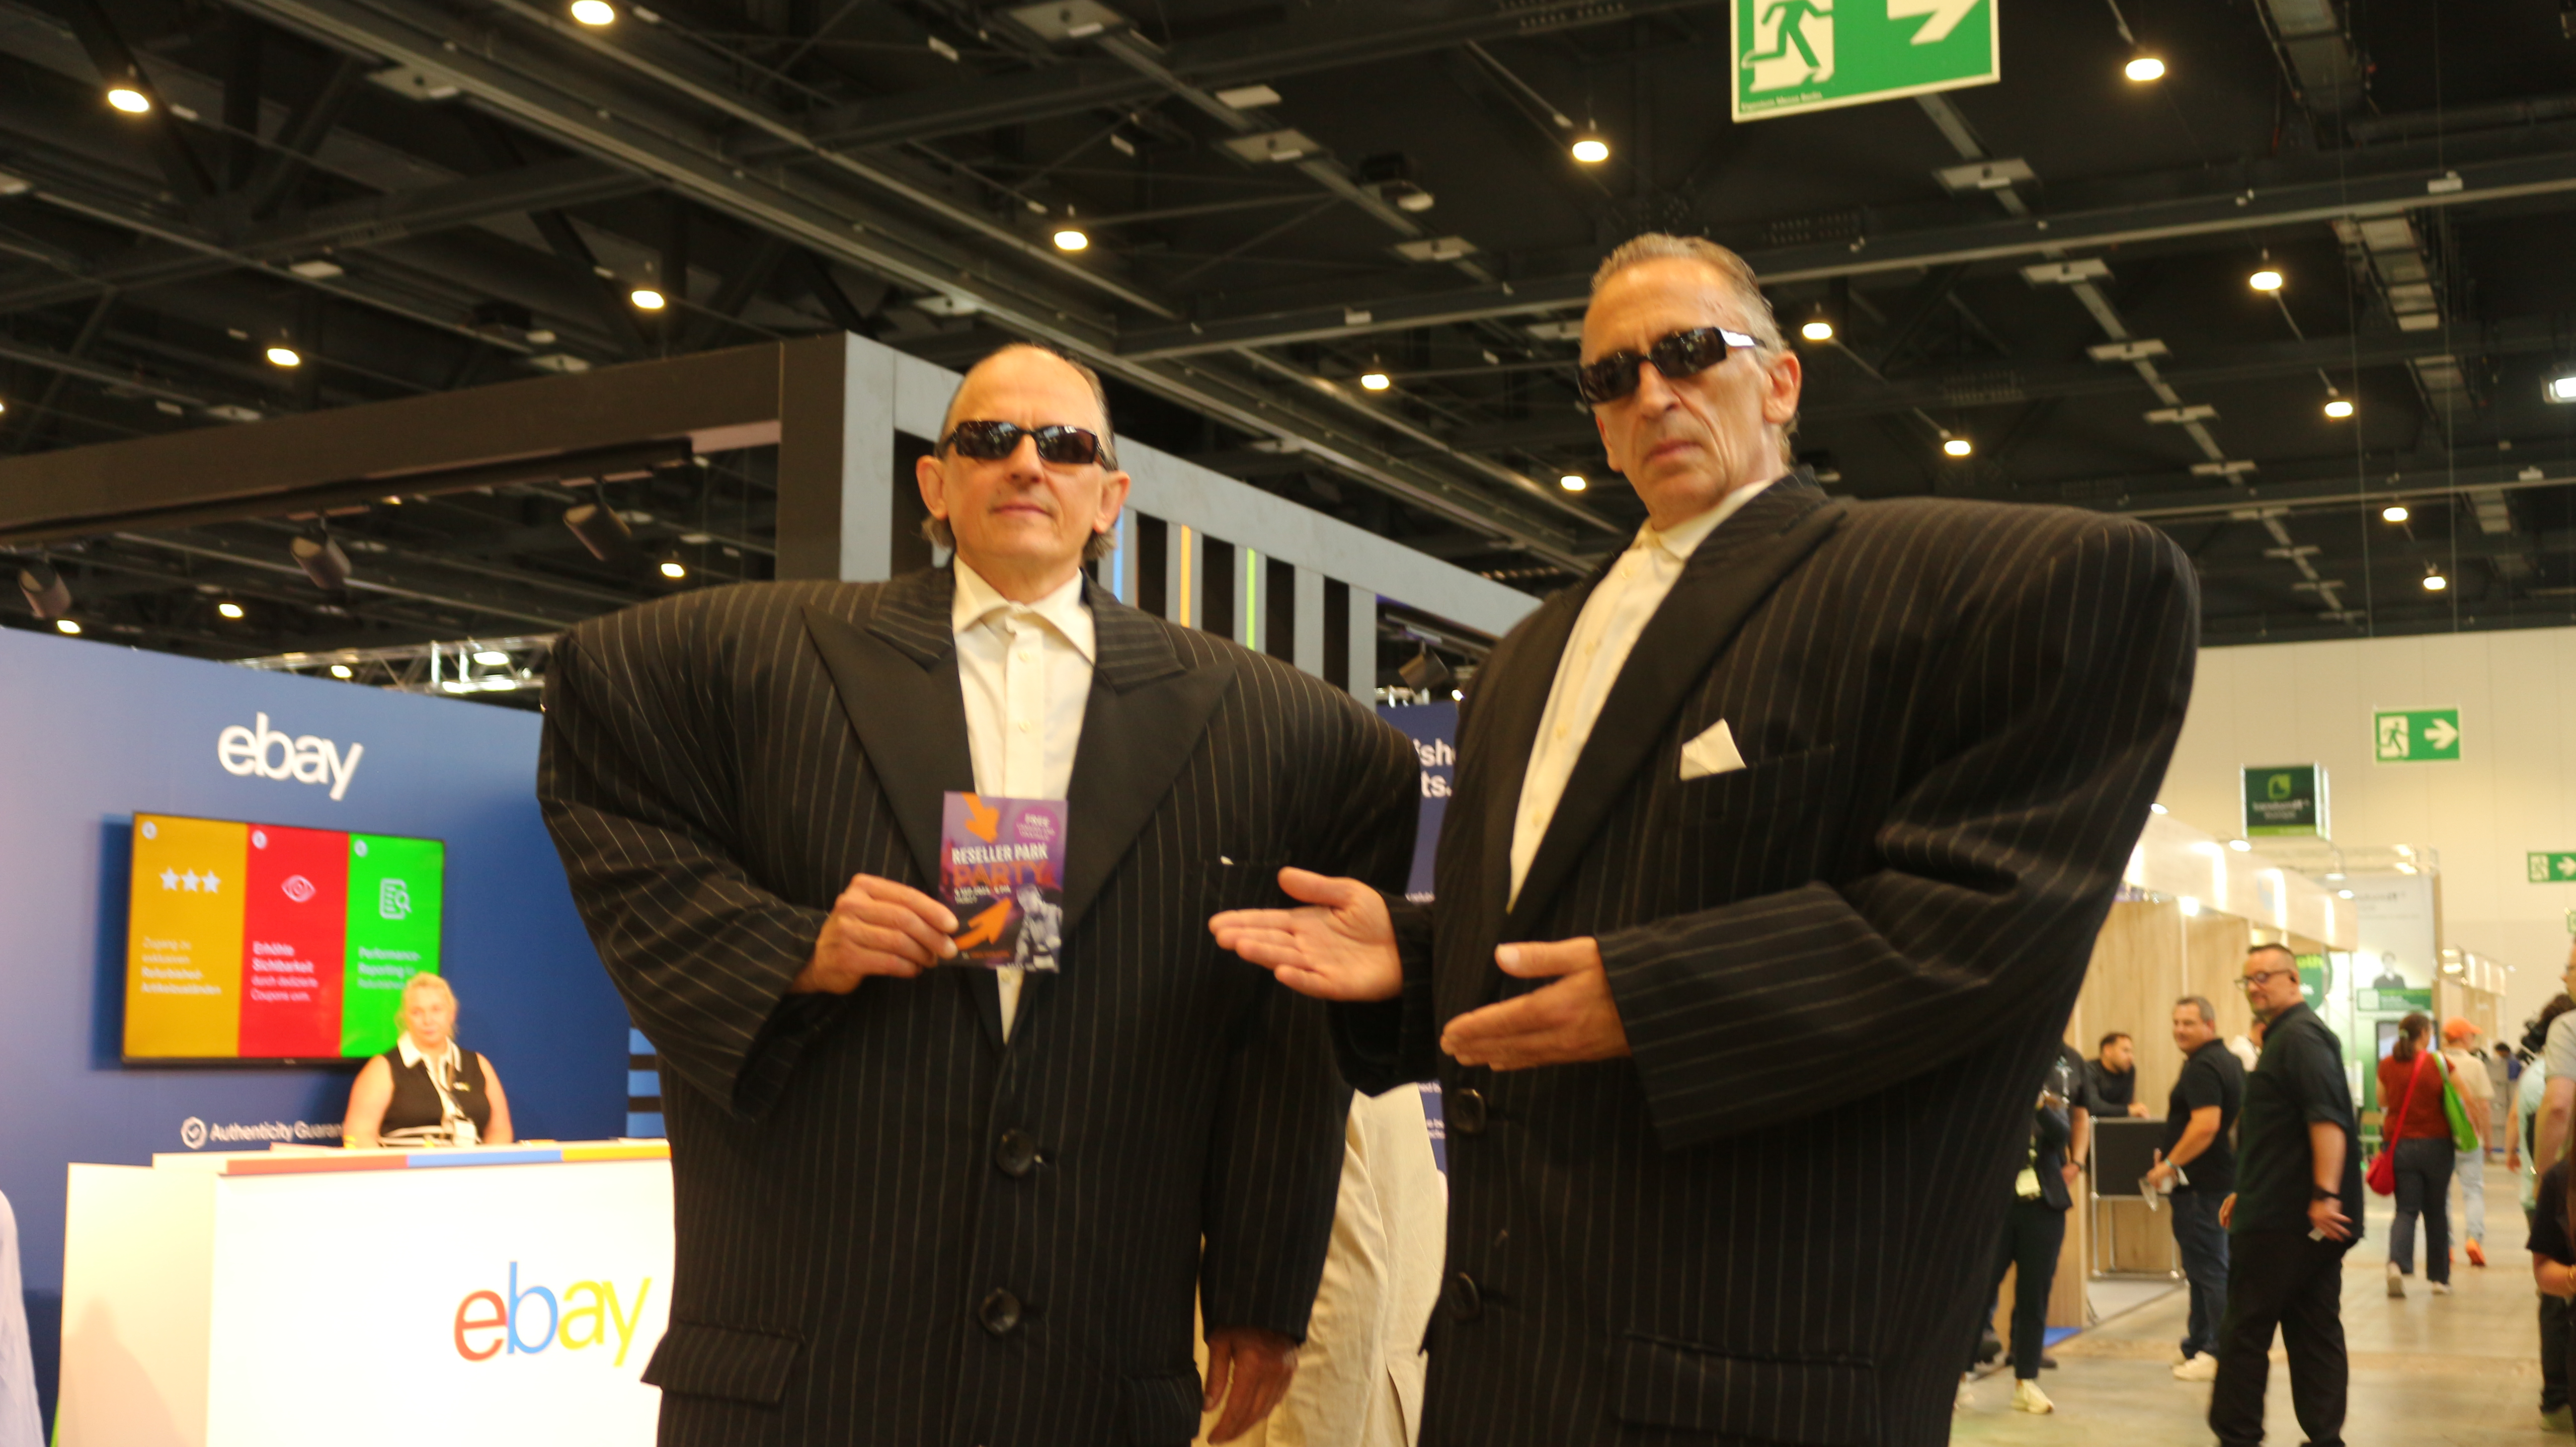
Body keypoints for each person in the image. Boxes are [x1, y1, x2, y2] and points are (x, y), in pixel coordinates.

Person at [1210, 232, 2200, 1446]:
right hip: (1506, 1365)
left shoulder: (1968, 585)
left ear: (1780, 382)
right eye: (1610, 375)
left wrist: (1661, 999)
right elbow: (1571, 930)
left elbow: (1985, 915)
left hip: (1746, 1370)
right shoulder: (1526, 656)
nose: (1652, 393)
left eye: (1687, 352)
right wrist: (1416, 961)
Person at [538, 342, 1417, 1446]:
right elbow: (599, 745)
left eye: (1066, 445)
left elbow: (1285, 1041)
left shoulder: (1278, 732)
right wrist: (791, 946)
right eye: (990, 438)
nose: (1027, 463)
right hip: (811, 1359)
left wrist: (1260, 1284)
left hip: (1091, 1363)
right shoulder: (747, 659)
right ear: (935, 482)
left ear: (1111, 497)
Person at [2209, 943, 2363, 1447]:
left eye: (2266, 976)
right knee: (2313, 1327)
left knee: (2245, 1331)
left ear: (2294, 979)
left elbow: (2328, 1119)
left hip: (2284, 1222)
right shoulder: (2289, 1038)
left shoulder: (2299, 1037)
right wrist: (2248, 1188)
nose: (2255, 987)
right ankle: (2324, 1436)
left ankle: (2238, 1435)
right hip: (2284, 1211)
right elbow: (2281, 1134)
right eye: (2248, 979)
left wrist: (2325, 1193)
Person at [1960, 1067, 2077, 1416]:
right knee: (1977, 1294)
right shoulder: (1985, 1100)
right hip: (1995, 1211)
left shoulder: (2049, 1097)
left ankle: (2026, 1381)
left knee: (2033, 1297)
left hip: (2043, 1210)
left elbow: (2061, 1135)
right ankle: (1957, 1376)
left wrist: (2037, 1102)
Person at [2147, 995, 2241, 1381]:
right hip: (2213, 1183)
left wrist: (2170, 1164)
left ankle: (2218, 1353)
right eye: (2176, 1023)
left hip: (2202, 1187)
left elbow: (2206, 1125)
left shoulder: (2203, 1067)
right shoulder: (2226, 1061)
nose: (2180, 1030)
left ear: (2209, 1025)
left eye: (2188, 1023)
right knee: (2203, 1269)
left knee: (2210, 1270)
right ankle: (2199, 1344)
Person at [341, 973, 514, 1149]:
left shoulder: (478, 1065)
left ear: (452, 1014)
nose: (428, 1020)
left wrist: (483, 1165)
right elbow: (358, 1135)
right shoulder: (383, 1068)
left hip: (469, 1165)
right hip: (405, 1165)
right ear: (405, 1017)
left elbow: (500, 1131)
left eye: (437, 1010)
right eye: (417, 1012)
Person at [2519, 996, 2576, 1429]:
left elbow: (2552, 1109)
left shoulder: (2536, 1074)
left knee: (2555, 1308)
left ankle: (2557, 1399)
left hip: (2547, 1189)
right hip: (2552, 1188)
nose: (2566, 975)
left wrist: (2542, 1180)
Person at [2378, 1011, 2458, 1297]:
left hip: (2400, 1146)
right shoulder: (2440, 1063)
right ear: (2424, 1033)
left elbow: (2382, 1100)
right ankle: (2439, 1280)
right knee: (2436, 1211)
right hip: (2437, 1146)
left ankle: (2396, 1265)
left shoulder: (2387, 1064)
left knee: (2406, 1210)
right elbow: (2460, 1098)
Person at [2439, 1017, 2492, 1265]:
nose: (2474, 1039)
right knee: (2473, 1191)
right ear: (2462, 1038)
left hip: (2440, 1137)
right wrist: (2487, 1138)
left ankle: (2446, 1245)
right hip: (2470, 1138)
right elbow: (2483, 1106)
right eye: (2472, 1035)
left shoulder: (2436, 1062)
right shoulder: (2475, 1065)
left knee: (2443, 1195)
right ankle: (2473, 1240)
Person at [2088, 1032, 2152, 1118]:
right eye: (2126, 1051)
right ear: (2108, 1050)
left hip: (2119, 1123)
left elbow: (2127, 1104)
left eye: (2131, 1052)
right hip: (2094, 1123)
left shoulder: (2129, 1070)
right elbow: (2093, 1107)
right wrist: (2129, 1110)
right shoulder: (2089, 1070)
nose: (2131, 1057)